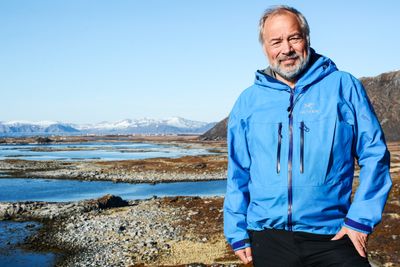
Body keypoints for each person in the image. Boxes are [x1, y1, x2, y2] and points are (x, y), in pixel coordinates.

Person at [223, 5, 392, 267]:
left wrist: (360, 221)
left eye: (293, 38)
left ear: (307, 38)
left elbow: (375, 155)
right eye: (276, 41)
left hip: (334, 236)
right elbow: (238, 171)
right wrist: (236, 232)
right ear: (265, 48)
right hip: (268, 239)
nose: (286, 49)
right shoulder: (248, 101)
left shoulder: (343, 86)